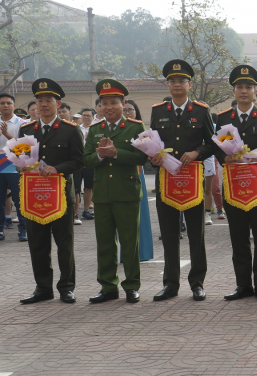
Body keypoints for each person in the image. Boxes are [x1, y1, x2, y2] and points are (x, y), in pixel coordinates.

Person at [149, 59, 215, 302]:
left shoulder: (201, 111)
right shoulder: (158, 111)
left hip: (192, 180)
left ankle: (197, 283)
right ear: (167, 85)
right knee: (168, 233)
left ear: (190, 84)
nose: (177, 85)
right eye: (172, 81)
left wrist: (197, 152)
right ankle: (170, 284)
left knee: (196, 233)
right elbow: (152, 143)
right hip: (166, 180)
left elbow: (212, 143)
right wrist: (153, 158)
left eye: (182, 81)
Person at [214, 66, 257, 301]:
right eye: (240, 87)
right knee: (238, 238)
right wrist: (225, 158)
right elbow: (217, 149)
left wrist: (256, 156)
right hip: (233, 187)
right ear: (233, 90)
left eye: (248, 87)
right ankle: (243, 285)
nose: (244, 91)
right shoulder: (223, 118)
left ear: (255, 91)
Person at [19, 79, 84, 304]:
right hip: (34, 196)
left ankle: (66, 287)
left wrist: (57, 169)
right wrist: (22, 166)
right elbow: (22, 157)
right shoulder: (26, 129)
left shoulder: (70, 130)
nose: (43, 104)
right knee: (37, 243)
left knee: (64, 243)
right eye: (40, 100)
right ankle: (43, 288)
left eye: (48, 100)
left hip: (61, 196)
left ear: (58, 103)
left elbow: (78, 161)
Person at [83, 79, 148, 304]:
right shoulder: (94, 130)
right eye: (104, 103)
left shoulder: (134, 127)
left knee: (130, 242)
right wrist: (101, 155)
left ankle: (132, 285)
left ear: (123, 104)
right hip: (102, 194)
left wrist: (116, 153)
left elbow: (142, 157)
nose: (108, 107)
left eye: (113, 102)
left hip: (127, 191)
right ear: (99, 106)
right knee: (105, 242)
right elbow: (86, 159)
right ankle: (108, 286)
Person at [123, 99, 154, 261]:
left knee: (139, 213)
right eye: (125, 110)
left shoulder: (140, 129)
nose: (127, 113)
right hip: (119, 175)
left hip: (137, 172)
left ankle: (142, 251)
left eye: (130, 110)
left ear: (136, 112)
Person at [0, 93, 26, 241]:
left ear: (14, 106)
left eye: (8, 103)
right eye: (2, 103)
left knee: (20, 199)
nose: (5, 105)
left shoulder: (22, 123)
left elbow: (26, 145)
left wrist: (7, 134)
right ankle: (0, 229)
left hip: (15, 166)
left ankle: (23, 229)